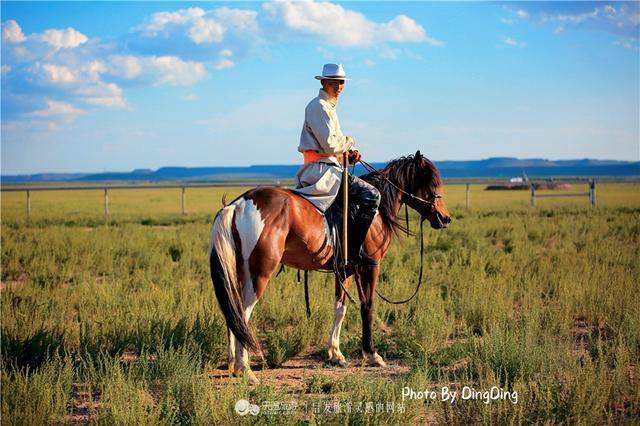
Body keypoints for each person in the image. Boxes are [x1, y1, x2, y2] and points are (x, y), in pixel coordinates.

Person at [294, 63, 380, 267]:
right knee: (372, 195)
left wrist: (346, 157)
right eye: (334, 82)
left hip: (328, 166)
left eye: (341, 82)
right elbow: (330, 144)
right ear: (323, 82)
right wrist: (349, 141)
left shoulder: (327, 107)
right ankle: (352, 255)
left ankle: (341, 246)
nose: (338, 86)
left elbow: (327, 148)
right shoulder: (319, 106)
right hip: (322, 172)